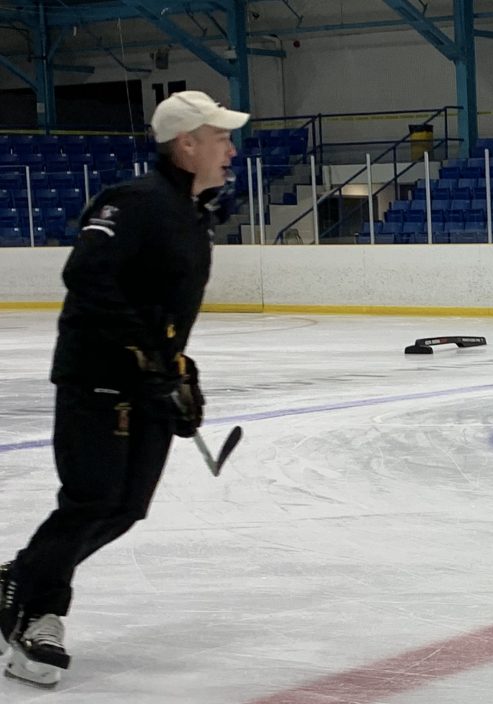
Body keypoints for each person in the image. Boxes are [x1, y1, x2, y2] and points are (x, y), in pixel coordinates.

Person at [0, 91, 248, 687]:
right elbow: (87, 277)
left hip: (148, 381)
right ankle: (40, 616)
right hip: (99, 379)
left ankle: (20, 577)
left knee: (127, 506)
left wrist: (180, 373)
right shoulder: (134, 203)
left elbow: (161, 310)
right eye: (220, 137)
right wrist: (147, 361)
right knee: (92, 500)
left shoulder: (193, 215)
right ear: (187, 144)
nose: (231, 148)